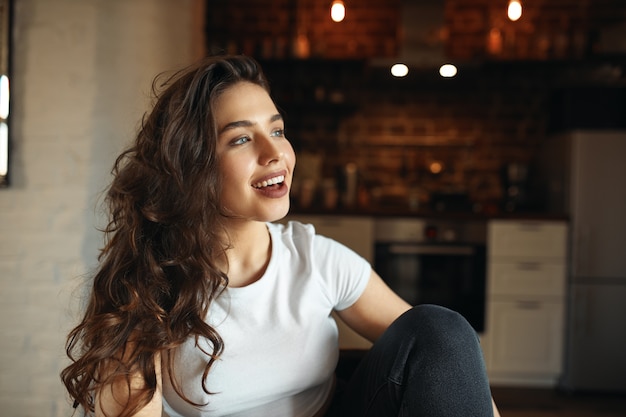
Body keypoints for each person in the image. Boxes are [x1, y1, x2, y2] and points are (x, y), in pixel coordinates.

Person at [61, 55, 501, 417]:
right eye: (240, 140)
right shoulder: (146, 288)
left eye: (276, 130)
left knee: (441, 326)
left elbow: (444, 355)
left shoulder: (317, 259)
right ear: (191, 166)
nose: (275, 154)